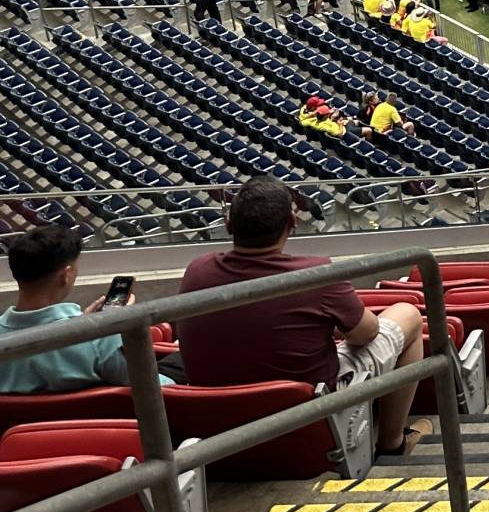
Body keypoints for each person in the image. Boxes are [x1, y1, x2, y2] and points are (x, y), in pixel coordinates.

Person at [177, 179, 426, 455]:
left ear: (228, 224)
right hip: (308, 412)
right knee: (409, 314)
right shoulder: (317, 274)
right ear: (292, 222)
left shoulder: (196, 270)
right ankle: (392, 443)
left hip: (220, 424)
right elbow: (366, 333)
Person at [0, 225, 128, 393]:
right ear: (66, 275)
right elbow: (148, 384)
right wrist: (118, 327)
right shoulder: (100, 338)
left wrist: (80, 322)